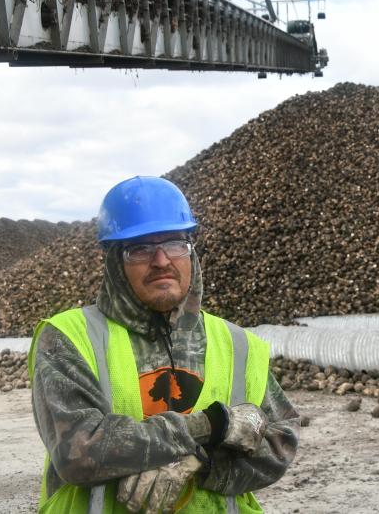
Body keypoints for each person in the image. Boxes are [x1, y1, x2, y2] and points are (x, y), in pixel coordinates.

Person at [29, 176, 300, 514]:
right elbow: (78, 450)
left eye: (174, 243)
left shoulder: (237, 343)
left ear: (191, 251)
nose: (160, 261)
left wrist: (199, 462)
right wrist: (209, 426)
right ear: (115, 261)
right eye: (139, 248)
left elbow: (280, 443)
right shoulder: (70, 337)